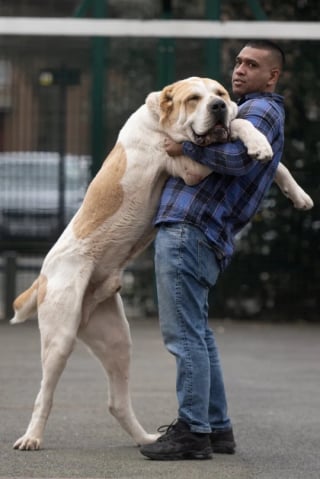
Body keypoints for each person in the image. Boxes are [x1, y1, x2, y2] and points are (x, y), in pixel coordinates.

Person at [140, 40, 286, 461]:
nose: (239, 71)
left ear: (272, 76)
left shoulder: (259, 111)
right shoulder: (242, 109)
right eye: (238, 62)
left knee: (183, 337)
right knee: (199, 335)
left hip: (189, 230)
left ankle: (192, 433)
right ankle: (217, 429)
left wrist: (184, 146)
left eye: (252, 64)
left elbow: (240, 159)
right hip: (201, 235)